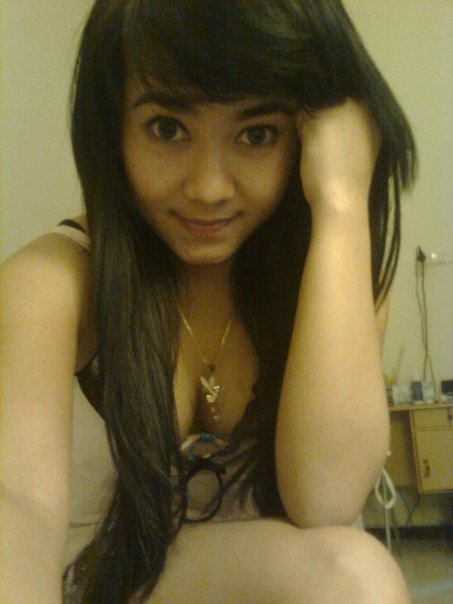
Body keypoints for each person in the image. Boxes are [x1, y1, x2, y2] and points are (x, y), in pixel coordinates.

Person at [0, 1, 417, 602]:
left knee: (358, 578)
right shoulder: (49, 284)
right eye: (168, 128)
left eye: (256, 134)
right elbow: (17, 507)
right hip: (81, 581)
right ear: (111, 128)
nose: (209, 187)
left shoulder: (331, 277)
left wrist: (343, 202)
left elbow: (326, 499)